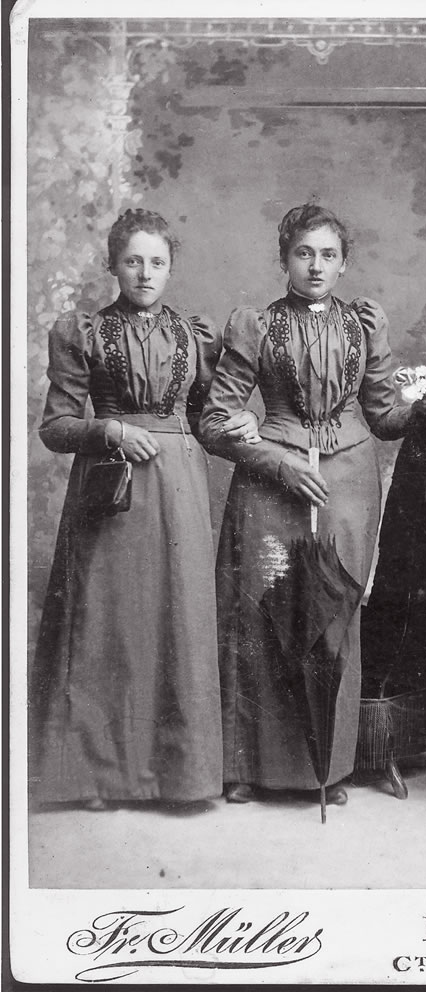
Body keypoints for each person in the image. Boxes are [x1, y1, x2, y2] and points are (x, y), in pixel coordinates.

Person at [198, 202, 426, 806]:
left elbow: (384, 417)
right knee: (262, 610)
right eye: (304, 253)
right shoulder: (256, 325)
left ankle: (327, 770)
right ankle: (249, 767)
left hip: (349, 482)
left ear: (344, 265)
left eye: (328, 255)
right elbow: (214, 421)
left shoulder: (363, 326)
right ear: (285, 259)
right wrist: (275, 460)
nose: (316, 265)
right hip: (271, 483)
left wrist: (419, 410)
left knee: (335, 612)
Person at [29, 208, 258, 810]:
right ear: (114, 265)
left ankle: (177, 776)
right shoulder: (84, 332)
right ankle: (99, 776)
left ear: (171, 268)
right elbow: (55, 427)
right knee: (109, 623)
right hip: (111, 488)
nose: (145, 273)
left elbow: (209, 419)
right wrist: (109, 430)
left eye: (157, 262)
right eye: (133, 261)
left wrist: (243, 419)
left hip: (179, 487)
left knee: (176, 621)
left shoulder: (193, 336)